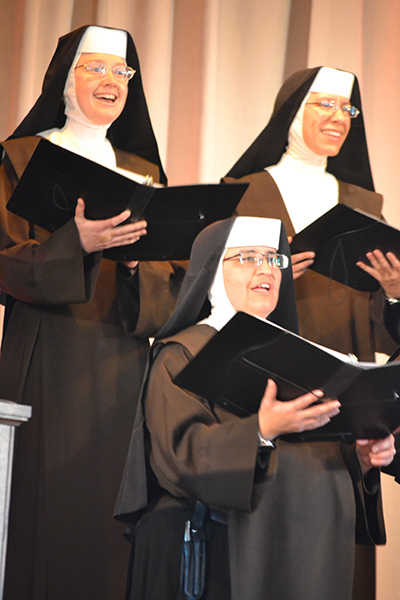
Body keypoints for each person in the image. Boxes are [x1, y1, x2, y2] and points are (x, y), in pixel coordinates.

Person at [115, 216, 394, 600]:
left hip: (299, 550)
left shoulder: (308, 359)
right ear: (212, 271)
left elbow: (313, 458)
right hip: (220, 556)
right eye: (246, 257)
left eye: (274, 258)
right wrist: (261, 429)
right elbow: (179, 457)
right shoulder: (182, 354)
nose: (266, 268)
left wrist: (360, 459)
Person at [0, 25, 185, 600]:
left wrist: (135, 268)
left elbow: (175, 282)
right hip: (48, 355)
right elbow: (5, 261)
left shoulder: (145, 173)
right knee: (47, 509)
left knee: (113, 515)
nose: (110, 82)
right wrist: (73, 246)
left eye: (121, 72)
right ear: (64, 79)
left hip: (123, 361)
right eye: (96, 68)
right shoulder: (20, 156)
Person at [223, 66, 395, 362]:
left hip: (351, 355)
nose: (339, 118)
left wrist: (394, 290)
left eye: (347, 108)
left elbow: (379, 305)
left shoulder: (365, 203)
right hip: (268, 352)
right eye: (326, 104)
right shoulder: (246, 193)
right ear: (295, 111)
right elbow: (208, 283)